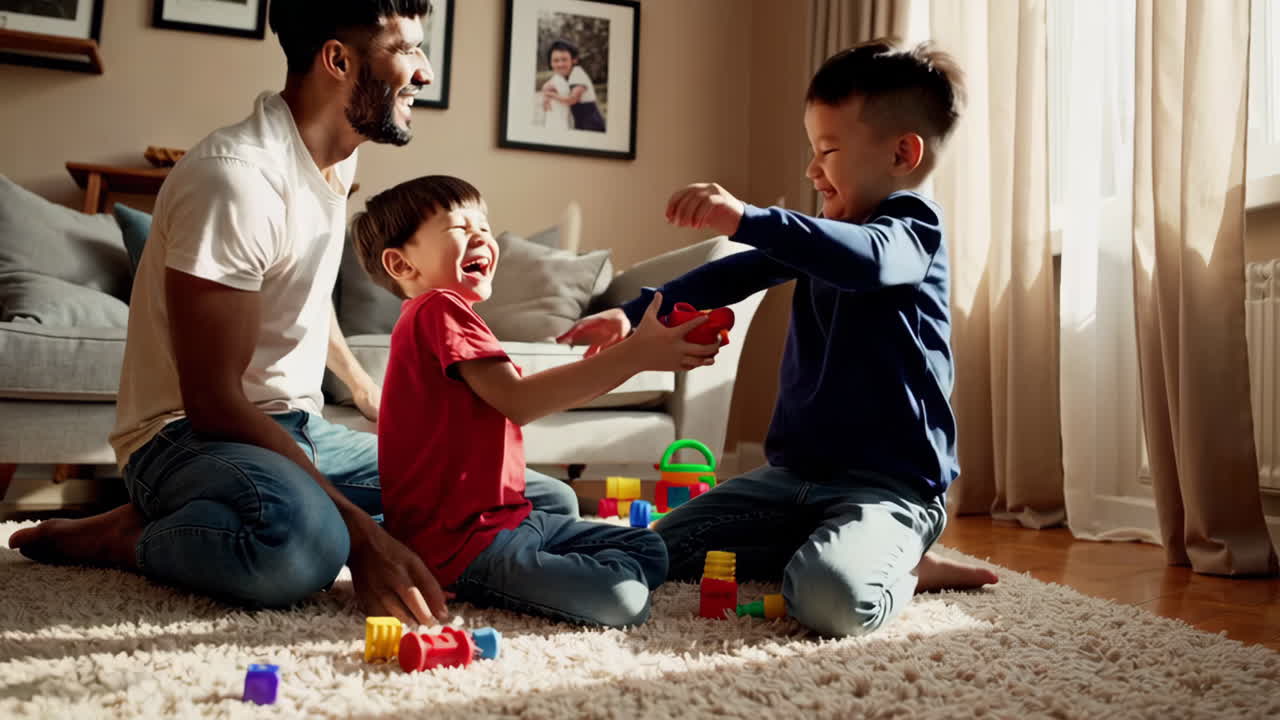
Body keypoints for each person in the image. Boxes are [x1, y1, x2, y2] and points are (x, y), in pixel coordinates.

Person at [9, 0, 579, 626]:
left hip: (300, 429)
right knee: (305, 545)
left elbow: (298, 293)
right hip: (184, 437)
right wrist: (363, 536)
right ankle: (126, 536)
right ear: (338, 60)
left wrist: (364, 392)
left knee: (537, 501)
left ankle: (220, 516)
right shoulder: (237, 180)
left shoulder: (335, 159)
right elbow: (213, 403)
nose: (424, 72)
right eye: (405, 50)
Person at [558, 40, 1000, 637]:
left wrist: (748, 217)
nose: (812, 169)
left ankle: (906, 565)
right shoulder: (823, 236)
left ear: (902, 153)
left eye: (828, 151)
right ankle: (829, 545)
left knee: (830, 600)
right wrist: (632, 314)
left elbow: (867, 260)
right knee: (657, 549)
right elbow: (733, 274)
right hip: (789, 480)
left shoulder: (913, 228)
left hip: (888, 488)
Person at [349, 175, 720, 626]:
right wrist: (635, 355)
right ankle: (496, 581)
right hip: (465, 545)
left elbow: (521, 398)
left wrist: (632, 356)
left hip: (510, 519)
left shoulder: (444, 316)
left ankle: (543, 576)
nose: (480, 236)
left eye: (484, 226)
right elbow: (520, 401)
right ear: (401, 264)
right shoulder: (438, 309)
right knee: (622, 601)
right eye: (459, 228)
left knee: (648, 546)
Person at [542, 39, 606, 132]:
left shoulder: (578, 74)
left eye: (564, 59)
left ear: (574, 60)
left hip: (591, 122)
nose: (560, 64)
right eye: (555, 60)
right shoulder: (565, 75)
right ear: (550, 63)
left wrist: (551, 95)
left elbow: (572, 100)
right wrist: (545, 92)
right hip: (580, 121)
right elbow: (549, 84)